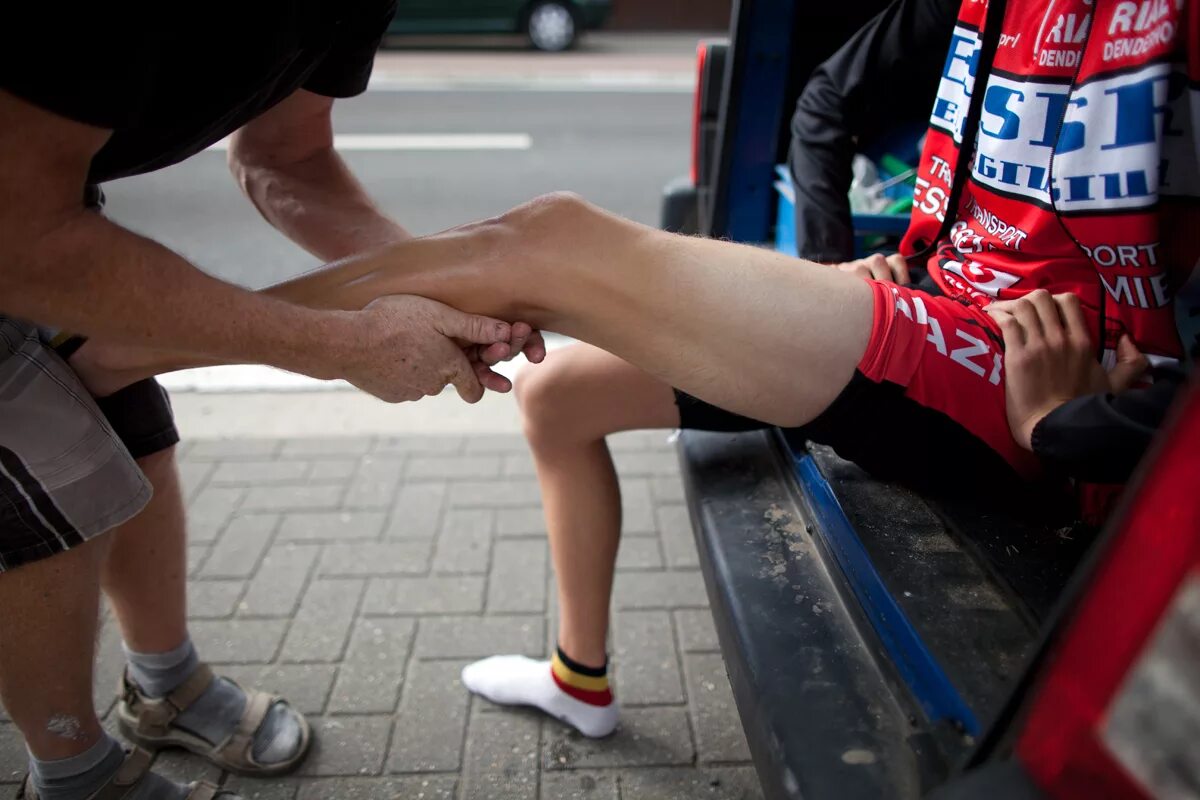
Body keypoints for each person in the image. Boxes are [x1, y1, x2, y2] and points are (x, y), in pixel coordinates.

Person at [43, 0, 1197, 747]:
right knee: (556, 389)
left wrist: (1068, 433)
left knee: (543, 241)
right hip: (932, 310)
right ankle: (579, 677)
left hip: (1034, 394)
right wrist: (870, 259)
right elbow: (831, 101)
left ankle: (121, 353)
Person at [0, 6, 542, 799]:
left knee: (128, 432)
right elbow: (22, 237)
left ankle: (165, 685)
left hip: (41, 196)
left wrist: (429, 281)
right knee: (47, 480)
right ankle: (74, 771)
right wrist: (340, 345)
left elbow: (285, 157)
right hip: (18, 213)